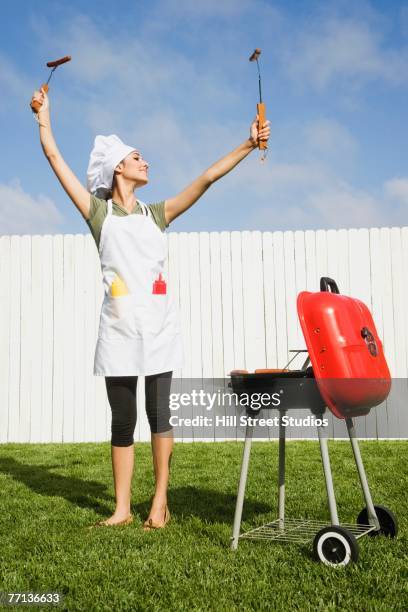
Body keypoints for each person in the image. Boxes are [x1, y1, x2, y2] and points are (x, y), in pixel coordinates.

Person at [30, 87, 271, 529]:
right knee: (122, 420)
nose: (146, 162)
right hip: (118, 331)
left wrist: (247, 143)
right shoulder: (98, 214)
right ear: (118, 167)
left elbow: (206, 178)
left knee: (160, 415)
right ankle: (122, 509)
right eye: (137, 157)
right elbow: (55, 161)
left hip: (159, 329)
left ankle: (159, 502)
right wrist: (44, 118)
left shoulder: (156, 214)